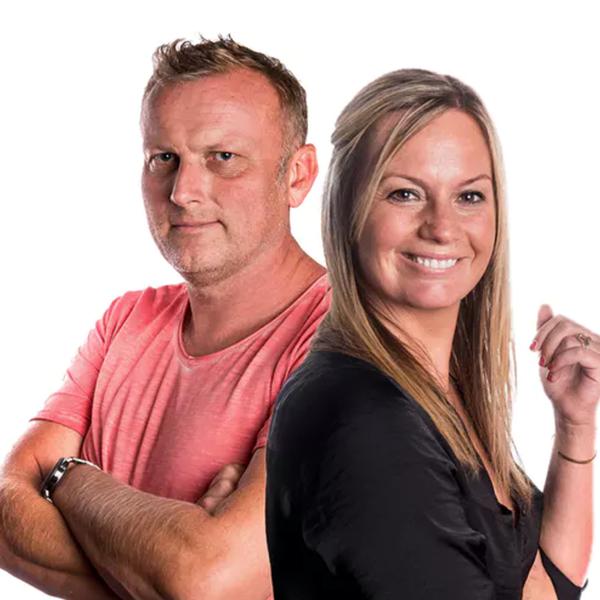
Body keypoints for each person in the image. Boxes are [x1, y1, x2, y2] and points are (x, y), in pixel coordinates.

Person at [0, 36, 330, 599]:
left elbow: (205, 581)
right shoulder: (126, 322)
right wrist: (163, 568)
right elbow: (7, 510)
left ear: (297, 175)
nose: (183, 192)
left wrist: (68, 478)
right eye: (164, 158)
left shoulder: (342, 340)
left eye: (222, 158)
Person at [266, 68, 596, 599]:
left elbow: (545, 582)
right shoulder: (364, 419)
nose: (442, 227)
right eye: (404, 194)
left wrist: (576, 427)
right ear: (347, 208)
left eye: (469, 196)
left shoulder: (434, 394)